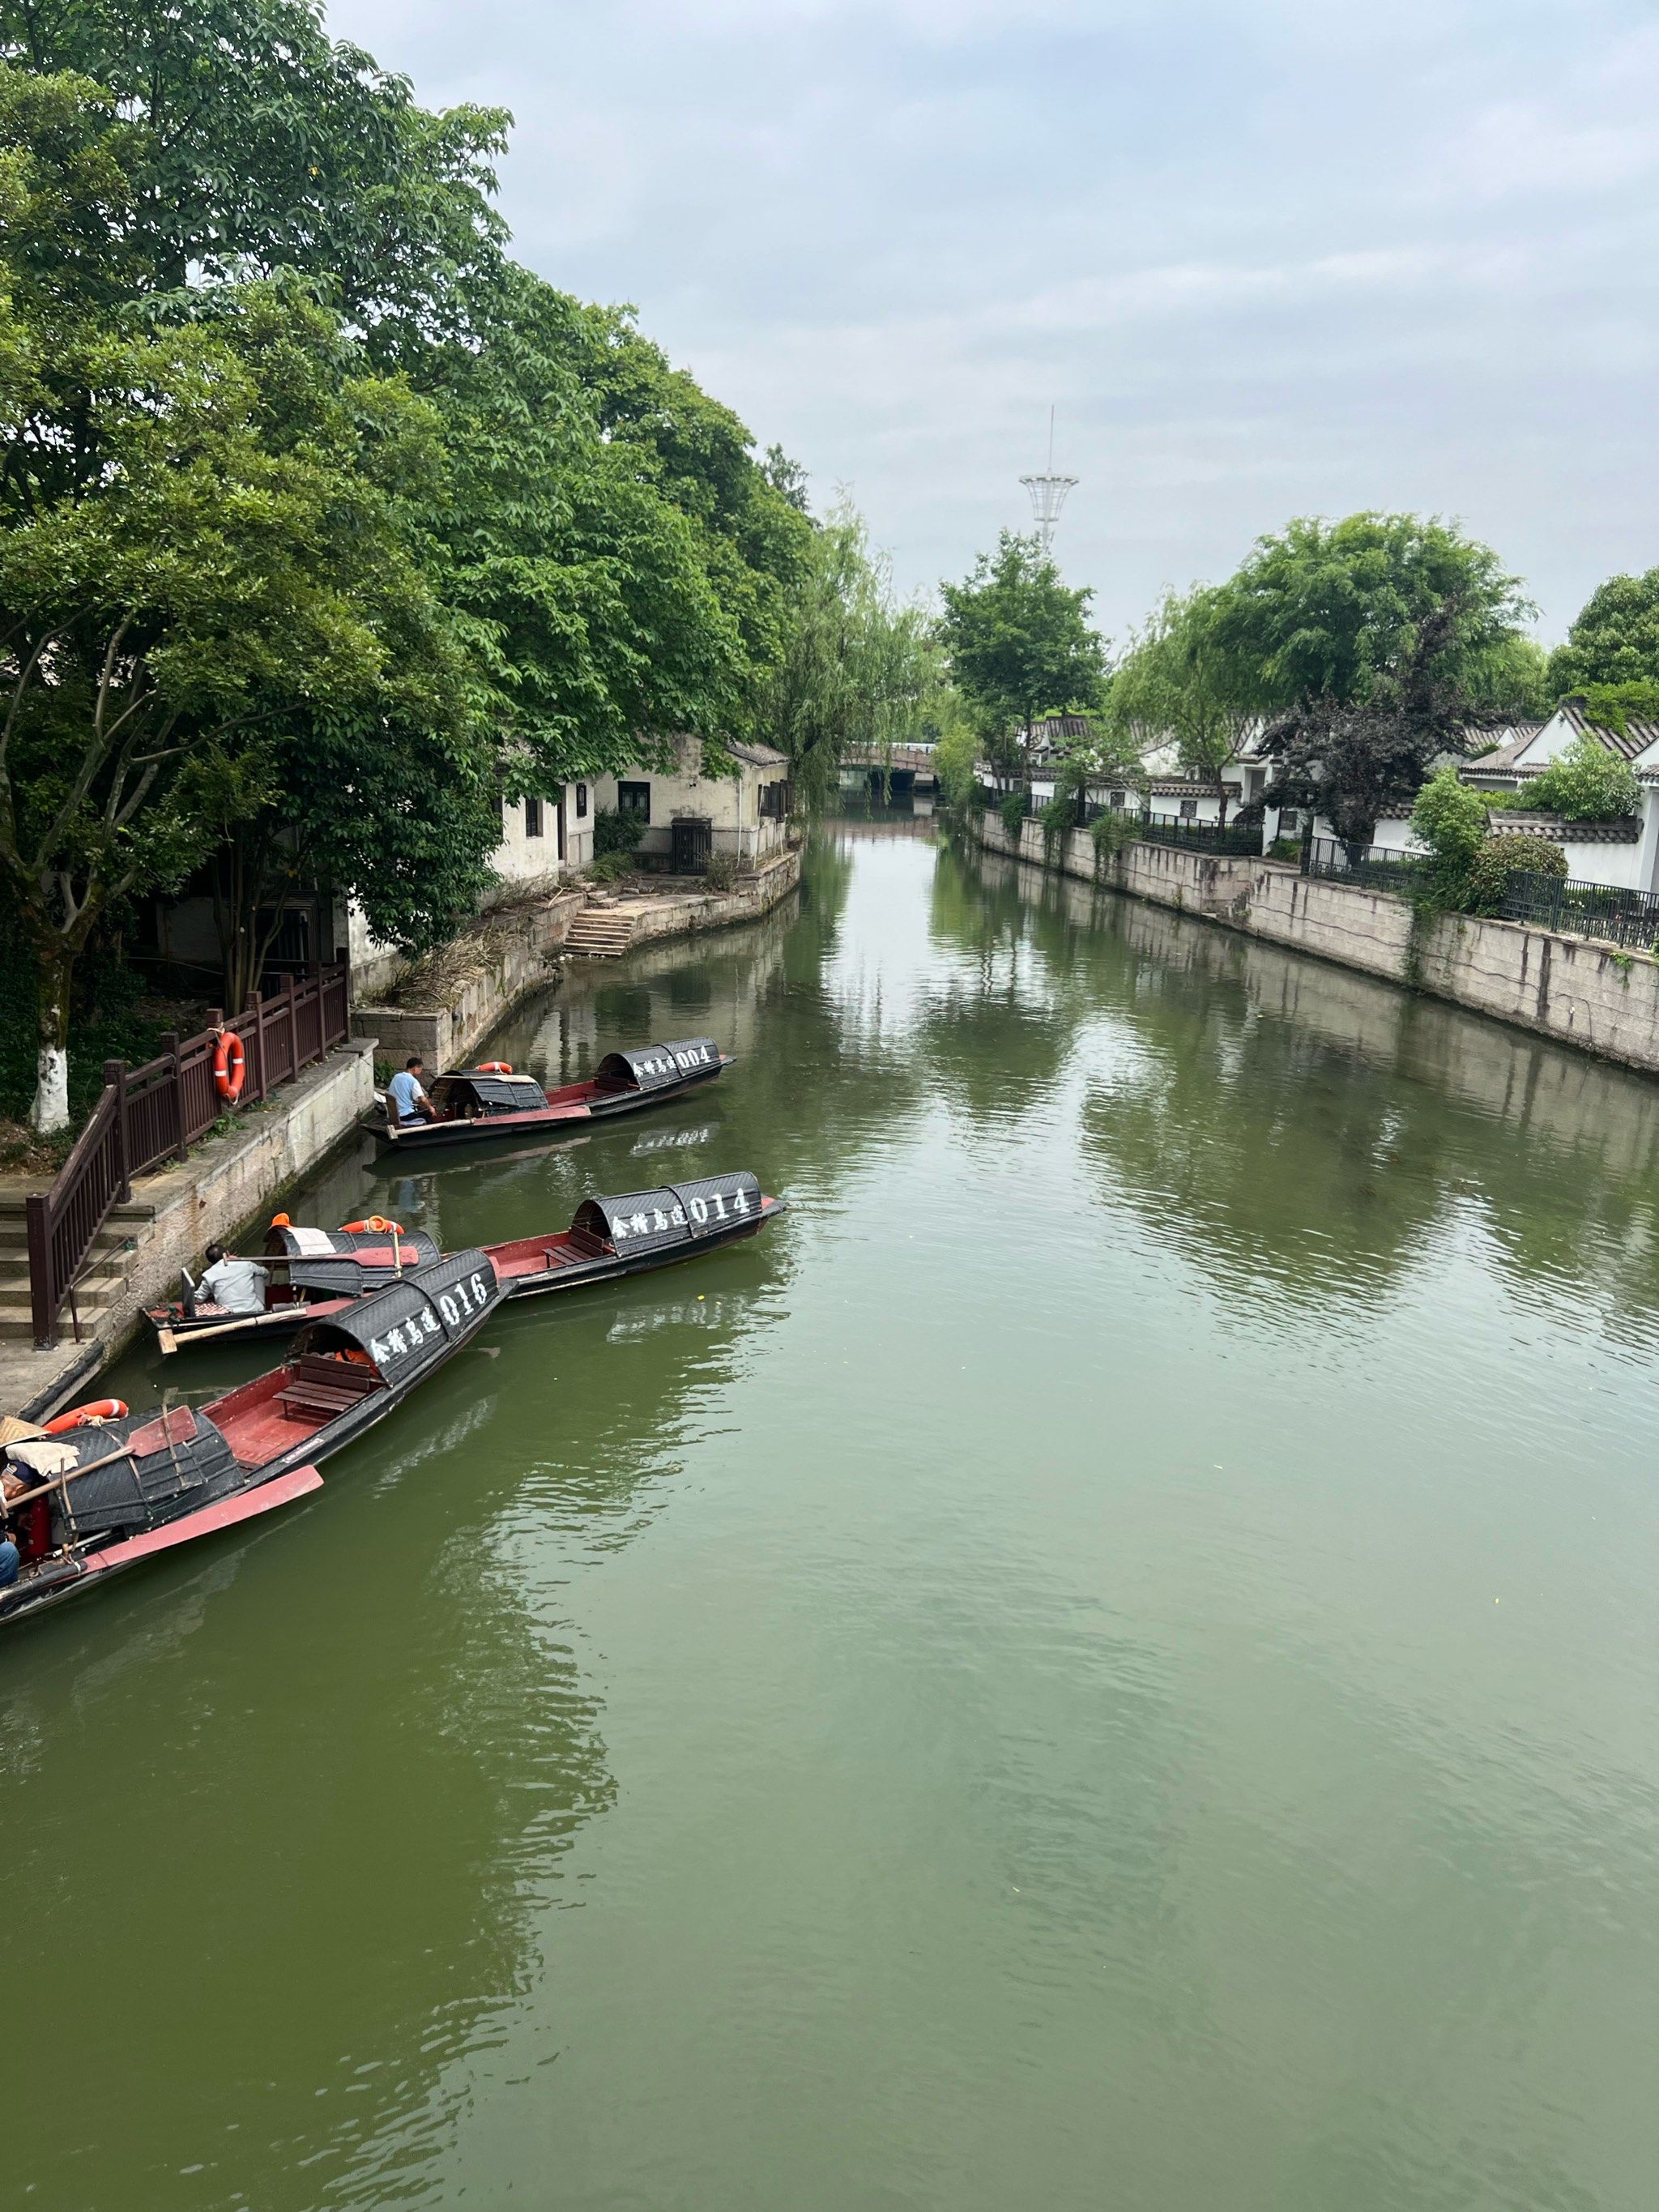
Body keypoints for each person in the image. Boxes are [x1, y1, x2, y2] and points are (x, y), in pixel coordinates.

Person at [198, 1241, 269, 1316]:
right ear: (228, 1253)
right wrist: (239, 1260)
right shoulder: (245, 1264)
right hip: (254, 1309)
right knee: (258, 1274)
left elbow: (199, 1298)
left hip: (229, 1313)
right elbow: (265, 1272)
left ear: (210, 1261)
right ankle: (263, 1308)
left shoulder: (209, 1274)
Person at [387, 1056, 440, 1127]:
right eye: (420, 1069)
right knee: (429, 1113)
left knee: (420, 1108)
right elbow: (423, 1099)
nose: (420, 1072)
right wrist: (431, 1108)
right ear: (415, 1069)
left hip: (393, 1114)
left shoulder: (396, 1076)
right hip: (405, 1115)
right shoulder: (413, 1081)